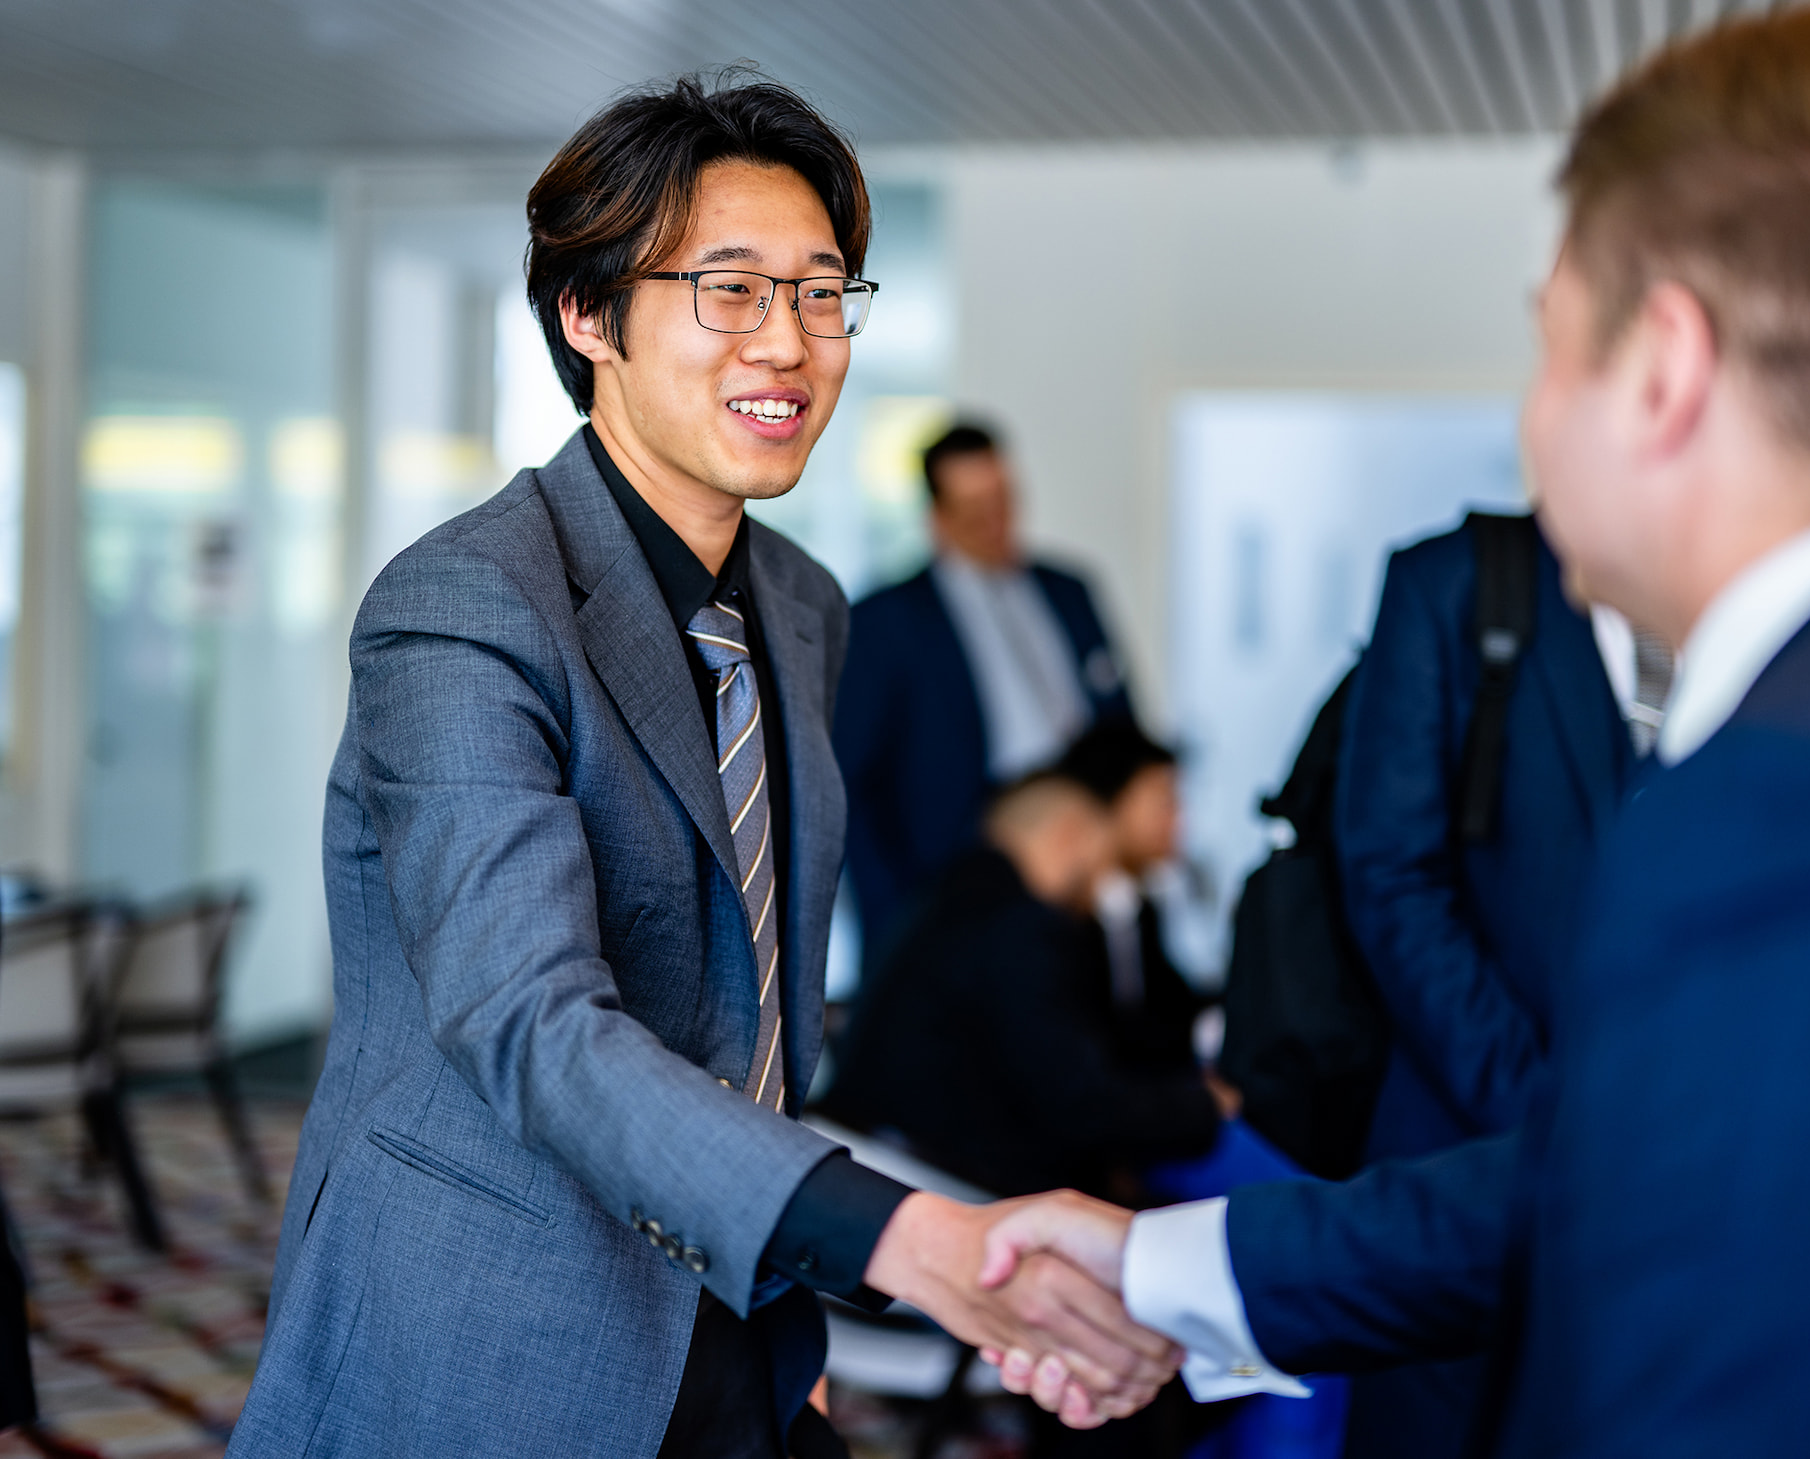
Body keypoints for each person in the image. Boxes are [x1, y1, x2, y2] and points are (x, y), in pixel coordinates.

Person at [978, 11, 1810, 1454]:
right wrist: (1171, 1271)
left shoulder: (1797, 811)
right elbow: (1639, 1175)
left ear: (1662, 371)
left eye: (1550, 354)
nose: (1534, 427)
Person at [228, 76, 1175, 1459]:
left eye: (820, 291)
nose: (789, 343)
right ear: (589, 314)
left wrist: (778, 1293)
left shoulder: (799, 603)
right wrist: (904, 1239)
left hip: (737, 1313)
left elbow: (761, 997)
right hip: (491, 1337)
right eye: (730, 290)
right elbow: (532, 1022)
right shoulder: (464, 605)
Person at [1333, 513, 1661, 1459]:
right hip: (1468, 1131)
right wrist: (1537, 1103)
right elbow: (1389, 873)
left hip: (1679, 1168)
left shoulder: (1757, 590)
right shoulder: (1459, 585)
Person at [826, 773, 1226, 1202]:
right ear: (1069, 835)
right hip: (944, 1184)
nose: (1102, 882)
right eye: (1104, 857)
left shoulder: (942, 902)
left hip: (877, 1167)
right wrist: (1209, 1106)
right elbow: (1081, 1107)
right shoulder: (1021, 925)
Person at [835, 423, 1134, 957]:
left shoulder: (1070, 591)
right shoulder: (889, 619)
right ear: (938, 517)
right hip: (952, 881)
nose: (995, 523)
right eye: (974, 509)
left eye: (1002, 500)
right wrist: (892, 920)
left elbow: (1120, 726)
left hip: (1079, 873)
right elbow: (853, 783)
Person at [1055, 722, 1210, 1082]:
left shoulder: (1138, 909)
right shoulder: (1060, 922)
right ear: (1110, 805)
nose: (1178, 820)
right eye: (1165, 802)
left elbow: (1169, 1012)